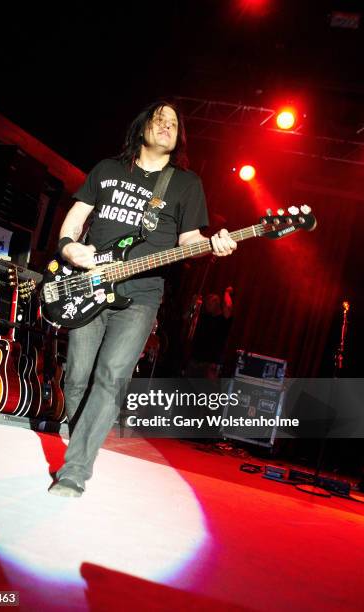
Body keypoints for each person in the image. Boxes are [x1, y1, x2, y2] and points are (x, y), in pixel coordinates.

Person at [48, 100, 237, 497]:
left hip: (140, 296)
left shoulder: (186, 184)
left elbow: (188, 242)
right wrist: (68, 248)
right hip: (87, 283)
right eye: (159, 118)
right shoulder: (107, 169)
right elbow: (75, 217)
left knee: (111, 377)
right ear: (142, 127)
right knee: (77, 378)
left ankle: (75, 471)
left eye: (174, 123)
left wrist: (213, 244)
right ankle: (80, 436)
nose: (167, 125)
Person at [185, 287, 234, 379]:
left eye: (209, 303)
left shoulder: (223, 319)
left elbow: (228, 307)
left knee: (206, 391)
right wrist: (192, 304)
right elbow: (186, 318)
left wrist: (227, 293)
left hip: (210, 364)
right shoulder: (203, 317)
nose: (207, 305)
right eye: (206, 303)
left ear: (216, 303)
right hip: (195, 361)